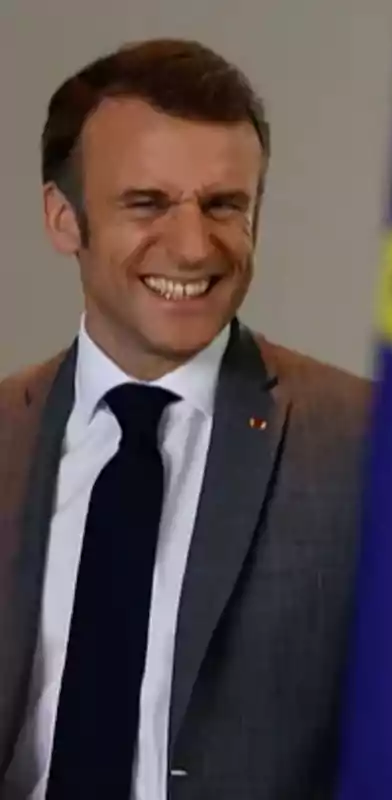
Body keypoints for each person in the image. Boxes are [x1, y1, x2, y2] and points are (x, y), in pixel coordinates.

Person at [0, 39, 371, 799]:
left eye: (223, 205)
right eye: (147, 203)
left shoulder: (371, 444)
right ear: (63, 219)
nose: (194, 244)